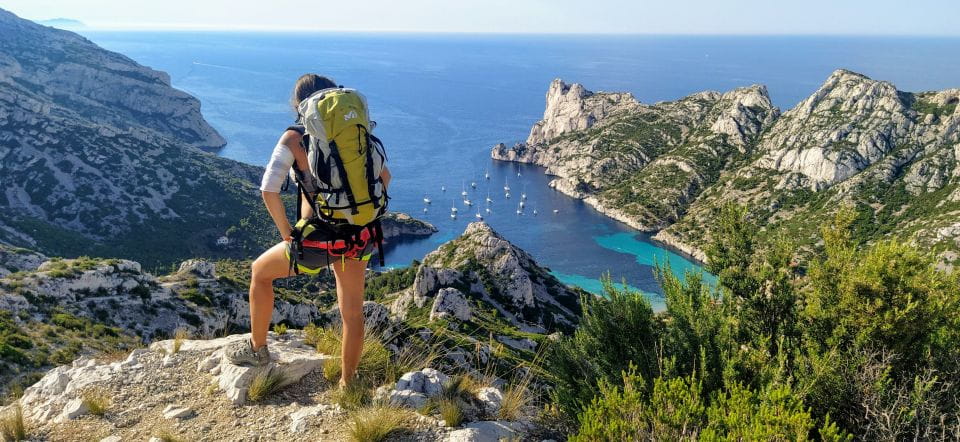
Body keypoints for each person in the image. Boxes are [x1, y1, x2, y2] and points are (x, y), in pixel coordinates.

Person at [225, 74, 391, 389]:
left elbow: (268, 189)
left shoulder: (293, 138)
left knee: (259, 272)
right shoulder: (355, 134)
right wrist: (355, 211)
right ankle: (347, 384)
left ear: (300, 104)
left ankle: (258, 351)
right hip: (360, 236)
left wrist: (288, 232)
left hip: (317, 241)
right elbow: (386, 177)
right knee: (352, 314)